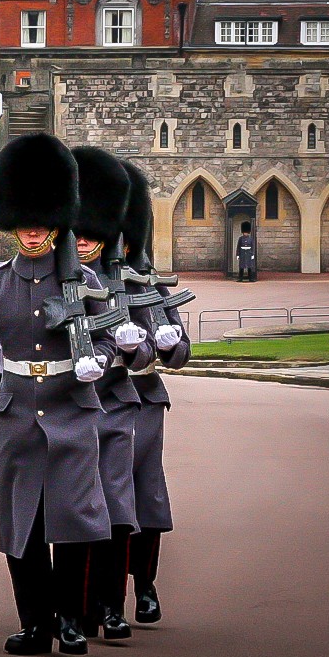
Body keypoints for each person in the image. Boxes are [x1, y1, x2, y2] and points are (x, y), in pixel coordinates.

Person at [0, 133, 117, 657]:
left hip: (71, 408)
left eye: (42, 222)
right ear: (13, 222)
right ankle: (34, 622)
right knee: (23, 525)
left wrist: (99, 361)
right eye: (25, 221)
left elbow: (108, 335)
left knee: (71, 521)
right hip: (18, 413)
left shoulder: (84, 280)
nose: (34, 231)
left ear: (56, 221)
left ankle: (69, 620)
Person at [68, 146, 139, 642]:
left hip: (112, 405)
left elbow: (159, 351)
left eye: (95, 234)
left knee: (114, 507)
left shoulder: (127, 281)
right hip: (67, 409)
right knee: (72, 510)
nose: (87, 242)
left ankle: (111, 605)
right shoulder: (57, 277)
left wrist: (137, 350)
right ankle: (73, 605)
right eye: (80, 233)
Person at [118, 160, 191, 626]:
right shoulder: (78, 283)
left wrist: (168, 344)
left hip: (143, 402)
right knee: (98, 499)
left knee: (145, 499)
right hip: (95, 400)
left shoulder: (150, 284)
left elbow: (181, 348)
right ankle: (99, 597)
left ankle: (145, 587)